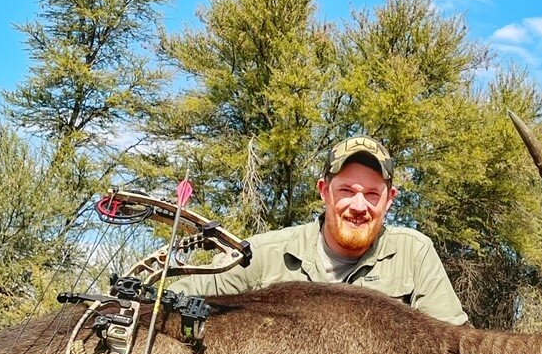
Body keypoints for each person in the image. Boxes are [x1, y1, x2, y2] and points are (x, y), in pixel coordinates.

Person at [170, 136, 468, 324]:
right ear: (324, 191)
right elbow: (178, 295)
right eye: (347, 190)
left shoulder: (414, 253)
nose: (359, 206)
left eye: (373, 194)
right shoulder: (264, 254)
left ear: (390, 200)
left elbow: (452, 346)